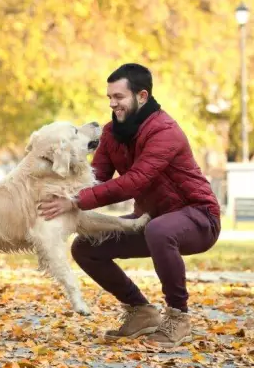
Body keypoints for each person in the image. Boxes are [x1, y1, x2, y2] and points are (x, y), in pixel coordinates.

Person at [38, 63, 221, 348]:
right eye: (109, 97)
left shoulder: (165, 131)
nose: (113, 103)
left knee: (159, 230)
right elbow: (96, 180)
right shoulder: (112, 133)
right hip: (152, 222)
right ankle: (141, 311)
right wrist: (56, 184)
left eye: (119, 97)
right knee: (86, 247)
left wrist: (76, 201)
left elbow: (135, 181)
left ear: (142, 96)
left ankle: (178, 317)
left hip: (198, 218)